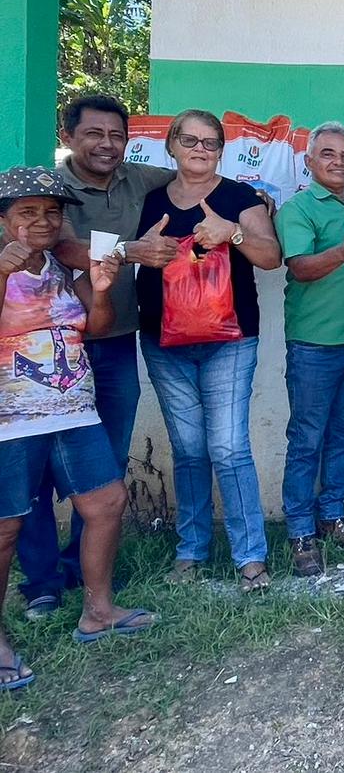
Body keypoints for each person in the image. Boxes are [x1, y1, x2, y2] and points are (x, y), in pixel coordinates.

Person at [15, 95, 177, 620]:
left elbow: (193, 177)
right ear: (68, 136)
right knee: (36, 472)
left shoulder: (139, 178)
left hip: (114, 339)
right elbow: (65, 248)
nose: (107, 145)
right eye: (94, 134)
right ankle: (41, 582)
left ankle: (87, 570)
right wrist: (132, 252)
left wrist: (251, 202)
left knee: (104, 464)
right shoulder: (52, 190)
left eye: (116, 135)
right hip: (45, 353)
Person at [1, 168, 156, 691]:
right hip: (11, 420)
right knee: (6, 527)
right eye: (27, 212)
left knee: (106, 504)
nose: (42, 221)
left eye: (51, 212)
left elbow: (98, 326)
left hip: (72, 410)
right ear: (4, 220)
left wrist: (103, 290)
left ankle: (99, 610)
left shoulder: (63, 267)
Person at [136, 110, 282, 592]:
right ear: (171, 145)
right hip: (163, 340)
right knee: (189, 449)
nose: (200, 149)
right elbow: (123, 251)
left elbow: (271, 256)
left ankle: (251, 556)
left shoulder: (240, 197)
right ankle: (191, 550)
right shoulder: (150, 199)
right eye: (190, 140)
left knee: (228, 447)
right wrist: (140, 249)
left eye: (210, 142)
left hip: (230, 341)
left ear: (221, 149)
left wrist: (232, 233)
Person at [273, 122, 344, 577]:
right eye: (328, 154)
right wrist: (342, 253)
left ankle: (333, 515)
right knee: (306, 439)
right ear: (309, 161)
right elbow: (299, 267)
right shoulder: (297, 208)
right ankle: (300, 531)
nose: (338, 162)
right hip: (314, 343)